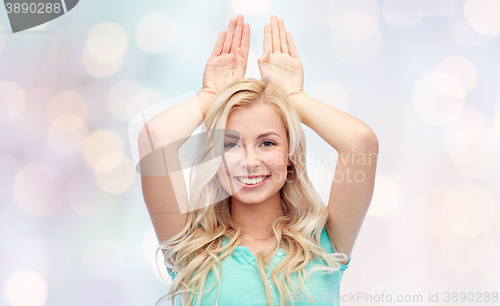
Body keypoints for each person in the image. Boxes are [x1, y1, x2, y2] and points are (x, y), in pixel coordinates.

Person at [138, 14, 378, 306]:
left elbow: (360, 142)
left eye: (267, 143)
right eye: (231, 144)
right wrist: (210, 94)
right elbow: (154, 139)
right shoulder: (192, 249)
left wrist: (292, 95)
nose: (250, 161)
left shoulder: (325, 243)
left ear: (290, 154)